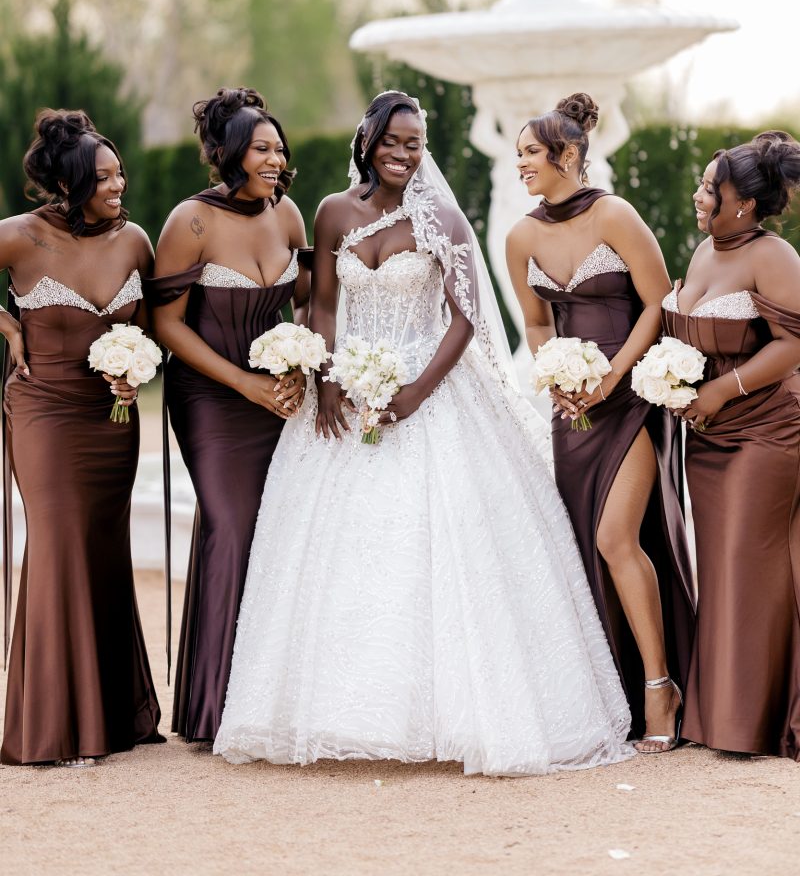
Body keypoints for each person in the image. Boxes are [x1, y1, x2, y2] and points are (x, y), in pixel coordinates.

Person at [214, 90, 633, 777]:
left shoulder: (443, 220)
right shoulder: (331, 213)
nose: (406, 155)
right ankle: (344, 714)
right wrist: (327, 382)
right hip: (349, 389)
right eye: (394, 142)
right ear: (368, 141)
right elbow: (323, 303)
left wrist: (413, 394)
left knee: (444, 550)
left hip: (433, 391)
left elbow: (466, 317)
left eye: (416, 143)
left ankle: (458, 715)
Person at [506, 93, 695, 754]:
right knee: (585, 545)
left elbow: (658, 298)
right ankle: (603, 691)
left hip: (630, 398)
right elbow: (534, 321)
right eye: (520, 153)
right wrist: (554, 376)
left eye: (532, 152)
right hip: (572, 412)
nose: (521, 163)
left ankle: (660, 686)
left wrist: (613, 378)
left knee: (617, 537)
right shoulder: (521, 235)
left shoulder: (616, 214)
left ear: (567, 155)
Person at [0, 110, 163, 766]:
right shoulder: (18, 237)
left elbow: (151, 328)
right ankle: (54, 726)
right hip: (42, 410)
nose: (117, 185)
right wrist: (8, 329)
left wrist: (135, 373)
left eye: (119, 172)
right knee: (61, 538)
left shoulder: (136, 243)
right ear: (69, 182)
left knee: (101, 547)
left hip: (112, 422)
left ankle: (108, 715)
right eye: (101, 178)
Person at [149, 87, 309, 744]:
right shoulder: (190, 221)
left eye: (278, 147)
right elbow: (165, 324)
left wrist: (300, 363)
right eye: (261, 148)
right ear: (230, 153)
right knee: (231, 526)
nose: (275, 158)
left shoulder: (290, 214)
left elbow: (307, 306)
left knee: (282, 532)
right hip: (211, 397)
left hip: (277, 397)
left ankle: (270, 699)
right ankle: (212, 708)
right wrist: (242, 382)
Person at [662, 131, 800, 760]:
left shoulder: (773, 256)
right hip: (707, 436)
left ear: (743, 203)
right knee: (719, 569)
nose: (697, 195)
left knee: (750, 569)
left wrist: (723, 392)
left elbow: (793, 344)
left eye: (708, 188)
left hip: (767, 430)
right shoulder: (704, 250)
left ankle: (753, 724)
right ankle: (714, 719)